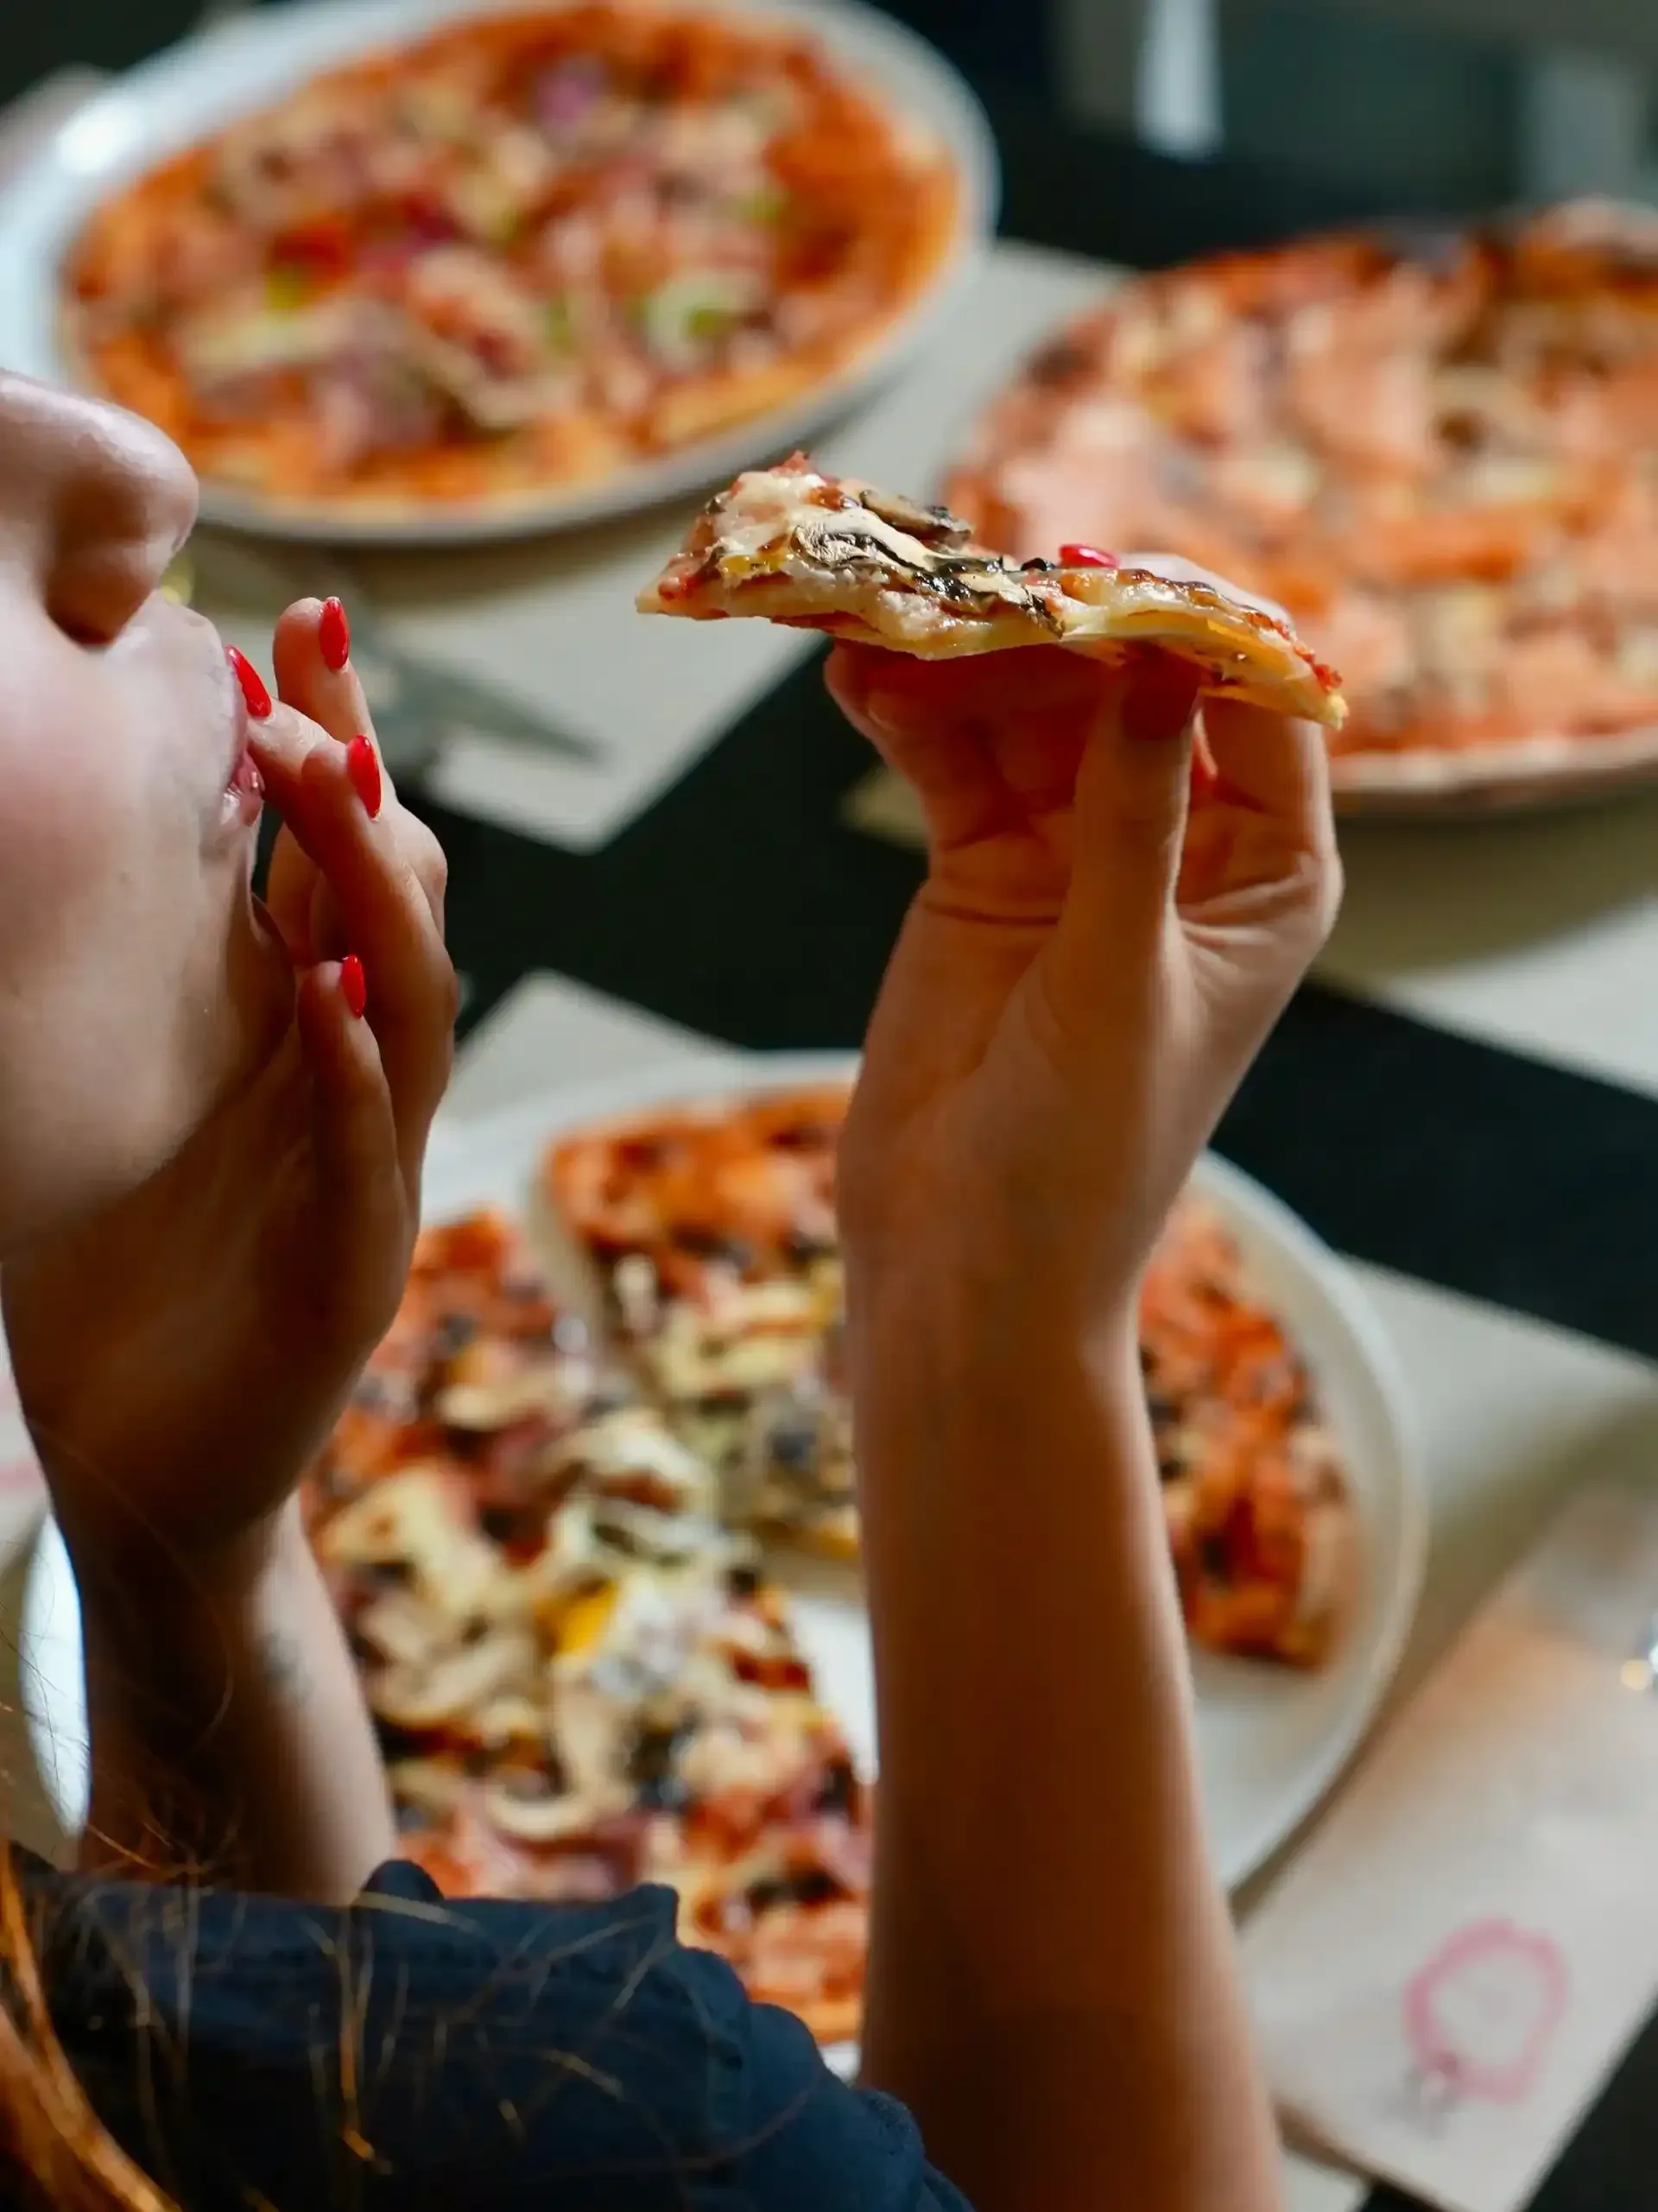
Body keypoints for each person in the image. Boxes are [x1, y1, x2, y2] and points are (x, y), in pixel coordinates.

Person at [0, 364, 1340, 2212]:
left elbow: (224, 2110)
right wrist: (994, 1321)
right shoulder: (626, 2108)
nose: (135, 466)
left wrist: (177, 1537)